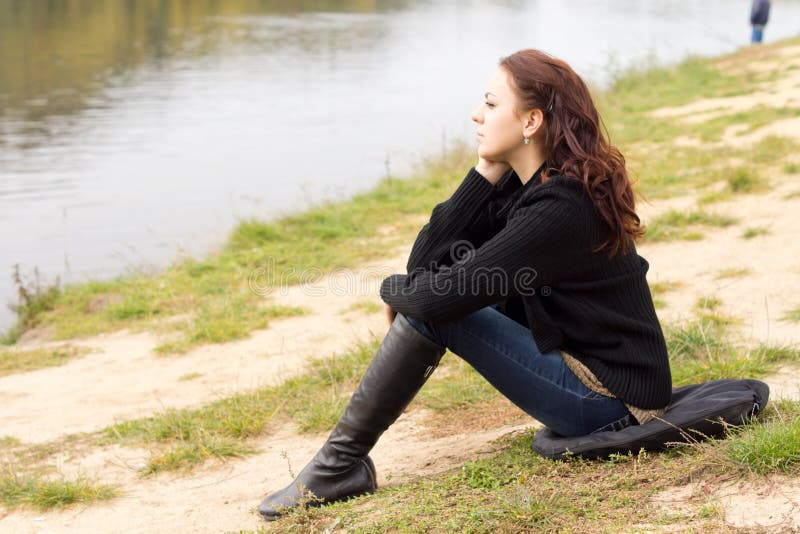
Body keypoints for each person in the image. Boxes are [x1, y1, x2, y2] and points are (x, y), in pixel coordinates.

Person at [257, 49, 672, 520]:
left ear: (532, 121)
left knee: (433, 309)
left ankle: (337, 467)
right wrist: (484, 172)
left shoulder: (560, 208)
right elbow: (425, 263)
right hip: (596, 379)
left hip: (611, 401)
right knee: (432, 300)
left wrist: (393, 292)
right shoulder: (529, 187)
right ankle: (340, 466)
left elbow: (432, 297)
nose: (477, 114)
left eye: (492, 104)